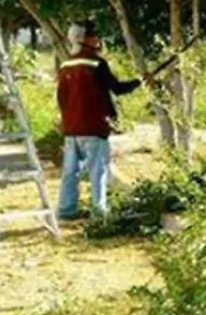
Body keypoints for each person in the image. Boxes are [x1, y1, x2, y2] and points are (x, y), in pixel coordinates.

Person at [56, 21, 142, 220]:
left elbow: (61, 97)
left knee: (70, 172)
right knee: (98, 171)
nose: (98, 39)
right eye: (94, 35)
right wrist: (139, 81)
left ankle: (66, 209)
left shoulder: (66, 64)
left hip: (71, 128)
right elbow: (118, 89)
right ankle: (99, 211)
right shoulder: (96, 63)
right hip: (93, 126)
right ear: (85, 39)